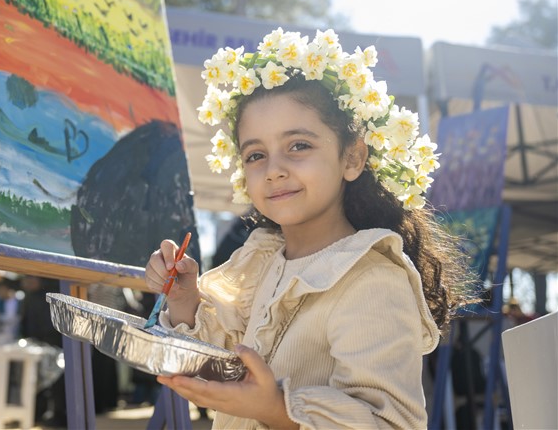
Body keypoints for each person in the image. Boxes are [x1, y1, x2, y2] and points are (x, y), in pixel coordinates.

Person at [145, 29, 476, 429]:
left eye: (299, 145)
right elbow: (225, 362)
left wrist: (277, 410)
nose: (275, 169)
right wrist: (185, 302)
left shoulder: (372, 280)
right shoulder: (262, 263)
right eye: (256, 155)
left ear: (352, 158)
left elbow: (391, 423)